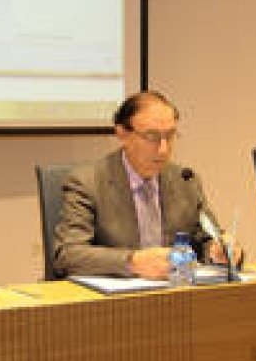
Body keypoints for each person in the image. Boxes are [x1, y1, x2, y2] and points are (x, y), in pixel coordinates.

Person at [53, 90, 233, 279]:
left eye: (170, 136)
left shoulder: (185, 180)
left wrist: (218, 250)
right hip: (114, 300)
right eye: (151, 136)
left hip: (172, 295)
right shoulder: (87, 182)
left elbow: (204, 238)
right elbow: (68, 254)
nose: (164, 150)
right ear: (122, 134)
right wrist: (132, 262)